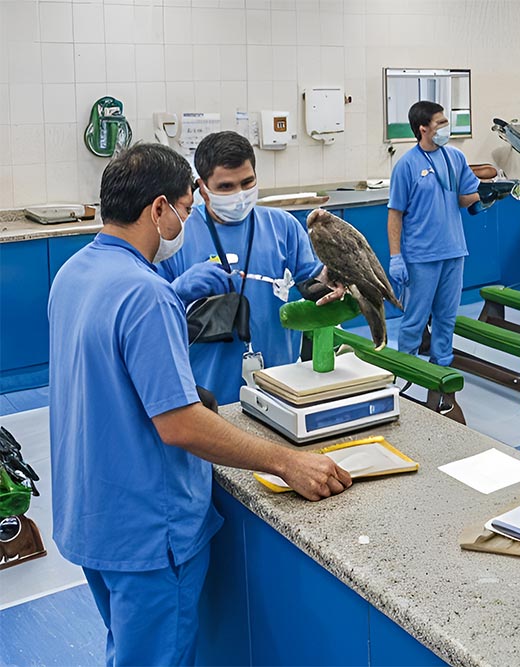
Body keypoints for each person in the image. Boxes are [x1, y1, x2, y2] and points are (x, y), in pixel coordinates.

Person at [48, 144, 351, 666]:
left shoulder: (73, 274)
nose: (188, 220)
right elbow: (180, 425)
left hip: (92, 516)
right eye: (188, 208)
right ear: (159, 209)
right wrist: (287, 461)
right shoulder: (146, 294)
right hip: (150, 530)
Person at [158, 131, 340, 405]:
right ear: (202, 188)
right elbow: (154, 315)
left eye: (247, 182)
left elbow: (312, 281)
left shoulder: (283, 227)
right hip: (206, 391)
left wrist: (333, 279)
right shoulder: (177, 235)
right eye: (225, 187)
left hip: (280, 383)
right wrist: (178, 291)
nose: (239, 195)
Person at [388, 101, 480, 366]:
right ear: (423, 129)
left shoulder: (455, 158)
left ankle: (441, 367)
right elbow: (395, 215)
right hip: (422, 256)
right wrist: (396, 257)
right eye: (440, 123)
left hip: (454, 250)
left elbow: (464, 198)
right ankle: (406, 369)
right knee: (415, 319)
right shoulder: (406, 166)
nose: (445, 128)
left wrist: (490, 193)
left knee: (446, 316)